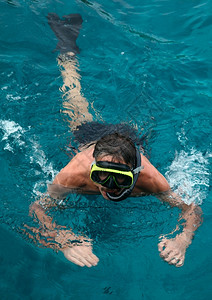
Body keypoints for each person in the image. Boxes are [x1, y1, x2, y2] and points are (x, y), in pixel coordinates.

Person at [28, 13, 202, 268]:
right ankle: (67, 48)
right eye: (102, 176)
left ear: (136, 172)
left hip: (132, 140)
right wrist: (61, 239)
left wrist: (182, 241)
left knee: (146, 120)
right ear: (91, 170)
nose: (110, 186)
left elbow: (192, 210)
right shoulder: (75, 172)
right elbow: (37, 208)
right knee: (74, 98)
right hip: (88, 138)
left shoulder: (151, 178)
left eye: (121, 179)